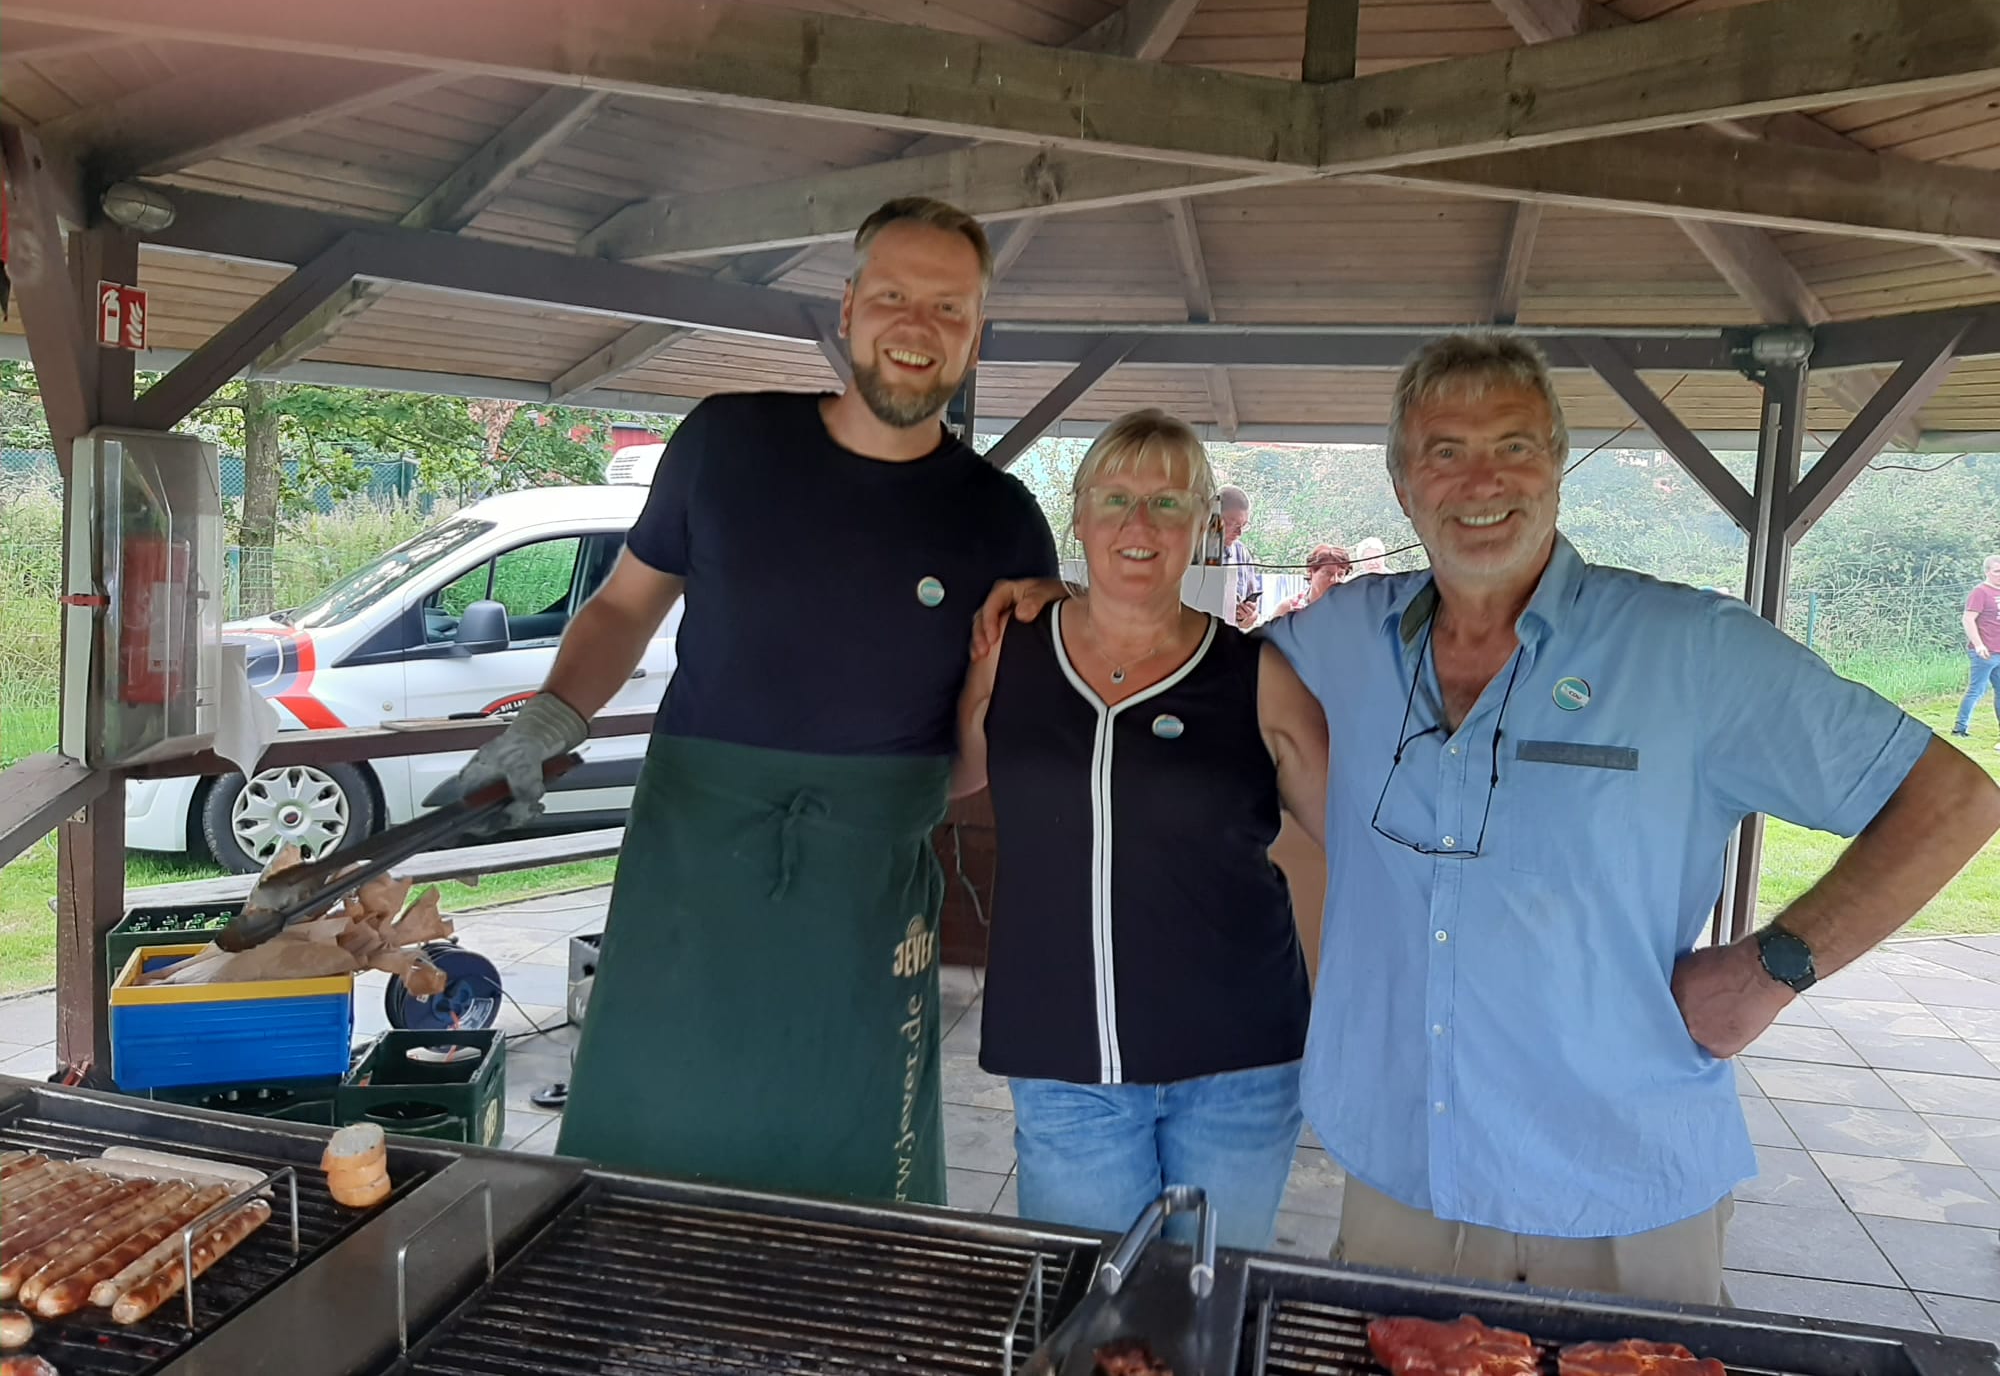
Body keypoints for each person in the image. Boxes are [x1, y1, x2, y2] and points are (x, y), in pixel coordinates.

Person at [974, 333, 2000, 1304]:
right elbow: (1169, 652)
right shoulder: (1338, 640)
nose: (1479, 481)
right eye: (1444, 452)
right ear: (1403, 484)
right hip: (1404, 1178)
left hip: (1616, 1185)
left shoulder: (1688, 650)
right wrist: (1077, 602)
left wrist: (1770, 968)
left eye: (1512, 446)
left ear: (1555, 464)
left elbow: (1952, 798)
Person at [428, 196, 1058, 1207]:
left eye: (949, 307)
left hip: (865, 898)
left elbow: (969, 768)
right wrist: (546, 721)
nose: (918, 326)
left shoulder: (1003, 522)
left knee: (850, 1170)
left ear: (975, 335)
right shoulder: (726, 441)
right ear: (848, 308)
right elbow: (622, 608)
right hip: (689, 869)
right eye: (893, 296)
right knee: (646, 1144)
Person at [953, 408, 1328, 1250]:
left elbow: (1369, 842)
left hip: (1239, 1065)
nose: (1139, 523)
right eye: (1116, 498)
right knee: (1093, 1308)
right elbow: (940, 774)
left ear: (1202, 527)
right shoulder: (1009, 650)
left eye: (1167, 503)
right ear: (1080, 518)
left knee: (1208, 1306)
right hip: (1063, 1061)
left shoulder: (1257, 674)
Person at [1955, 554, 2000, 741]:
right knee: (1977, 690)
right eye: (1997, 571)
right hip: (1985, 652)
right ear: (1987, 572)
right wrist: (1979, 645)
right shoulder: (1980, 592)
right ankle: (1960, 728)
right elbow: (1968, 619)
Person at [1219, 484, 1262, 628]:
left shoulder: (1242, 554)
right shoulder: (1188, 550)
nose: (1239, 533)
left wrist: (1246, 617)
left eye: (1243, 525)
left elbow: (1253, 615)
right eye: (1232, 524)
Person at [1274, 543, 1351, 618]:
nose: (1335, 580)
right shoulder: (1287, 609)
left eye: (1340, 574)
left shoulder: (1349, 609)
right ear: (1310, 572)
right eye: (1327, 573)